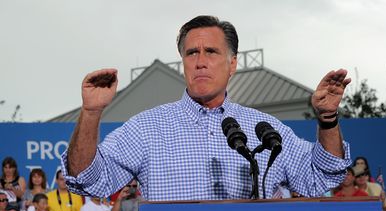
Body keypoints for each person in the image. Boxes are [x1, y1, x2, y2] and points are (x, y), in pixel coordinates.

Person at [61, 15, 352, 200]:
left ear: (233, 63)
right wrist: (90, 113)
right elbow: (87, 180)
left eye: (211, 52)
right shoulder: (146, 129)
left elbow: (321, 176)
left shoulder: (266, 130)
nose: (200, 61)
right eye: (191, 53)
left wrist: (327, 118)